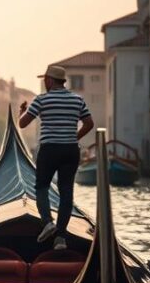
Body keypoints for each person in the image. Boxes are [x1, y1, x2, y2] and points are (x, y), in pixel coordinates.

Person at [19, 64, 95, 251]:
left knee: (42, 187)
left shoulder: (42, 99)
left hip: (49, 149)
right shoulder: (78, 100)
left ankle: (47, 222)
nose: (44, 82)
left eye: (45, 79)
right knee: (66, 191)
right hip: (70, 150)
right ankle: (60, 237)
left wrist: (22, 111)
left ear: (50, 80)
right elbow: (89, 123)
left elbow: (22, 124)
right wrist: (73, 137)